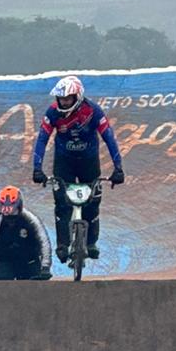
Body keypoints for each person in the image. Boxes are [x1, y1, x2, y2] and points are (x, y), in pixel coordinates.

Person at [32, 75, 125, 264]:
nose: (63, 102)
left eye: (67, 99)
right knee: (62, 204)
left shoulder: (93, 111)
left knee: (93, 203)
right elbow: (42, 139)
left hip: (88, 162)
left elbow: (109, 138)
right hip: (64, 162)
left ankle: (91, 243)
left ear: (78, 97)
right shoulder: (52, 113)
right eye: (61, 99)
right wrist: (37, 169)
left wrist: (118, 168)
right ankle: (62, 245)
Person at [0, 186, 52, 281]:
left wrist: (45, 267)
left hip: (29, 262)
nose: (7, 209)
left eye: (11, 205)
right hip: (5, 262)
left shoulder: (31, 219)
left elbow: (44, 242)